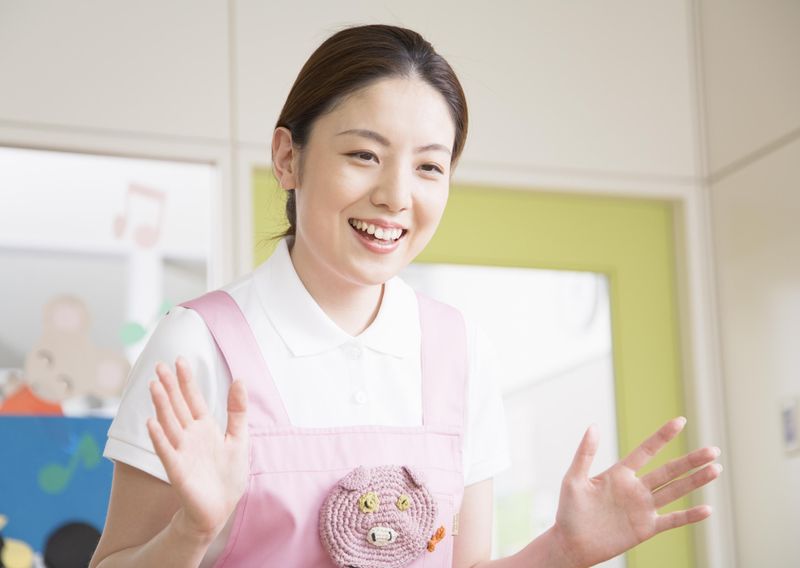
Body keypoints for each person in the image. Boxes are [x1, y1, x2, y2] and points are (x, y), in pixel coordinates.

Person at [89, 24, 722, 568]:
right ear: (287, 158)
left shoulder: (460, 349)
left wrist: (559, 550)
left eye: (428, 167)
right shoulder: (198, 343)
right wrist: (191, 530)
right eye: (364, 154)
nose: (396, 196)